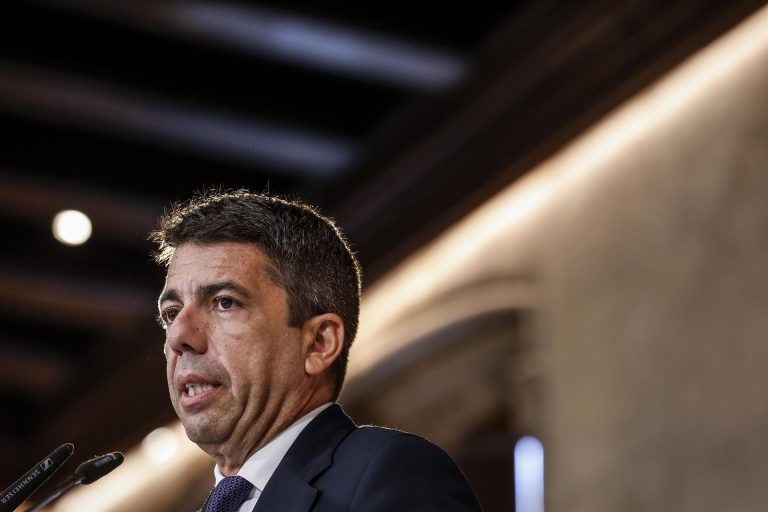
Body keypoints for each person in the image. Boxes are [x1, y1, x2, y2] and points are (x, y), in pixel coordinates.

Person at [151, 189, 482, 512]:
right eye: (172, 313)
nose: (178, 335)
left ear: (319, 343)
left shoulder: (393, 471)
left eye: (225, 303)